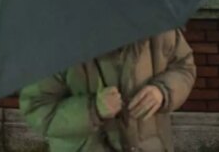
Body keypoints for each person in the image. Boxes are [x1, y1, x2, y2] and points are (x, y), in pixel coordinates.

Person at [20, 29, 196, 152]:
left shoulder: (158, 27)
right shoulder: (54, 45)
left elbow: (184, 66)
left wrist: (162, 91)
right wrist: (92, 110)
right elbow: (37, 108)